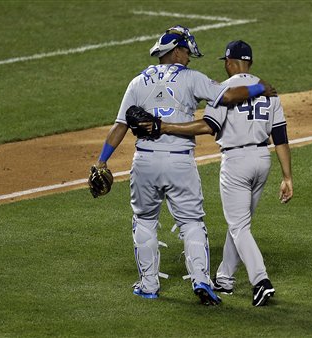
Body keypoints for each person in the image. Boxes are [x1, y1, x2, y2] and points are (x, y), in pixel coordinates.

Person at [92, 26, 276, 305]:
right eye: (187, 52)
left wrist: (102, 159)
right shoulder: (192, 78)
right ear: (176, 51)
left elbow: (119, 126)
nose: (189, 57)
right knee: (191, 222)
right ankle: (202, 281)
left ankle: (148, 284)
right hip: (180, 162)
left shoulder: (137, 82)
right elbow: (227, 96)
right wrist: (258, 87)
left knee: (144, 220)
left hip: (145, 161)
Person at [153, 40, 293, 306]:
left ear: (229, 62)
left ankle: (261, 281)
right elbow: (281, 137)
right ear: (249, 62)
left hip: (236, 161)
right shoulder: (269, 90)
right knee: (239, 222)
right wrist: (287, 177)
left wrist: (168, 127)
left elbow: (209, 126)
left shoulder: (223, 89)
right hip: (262, 160)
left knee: (239, 226)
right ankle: (225, 278)